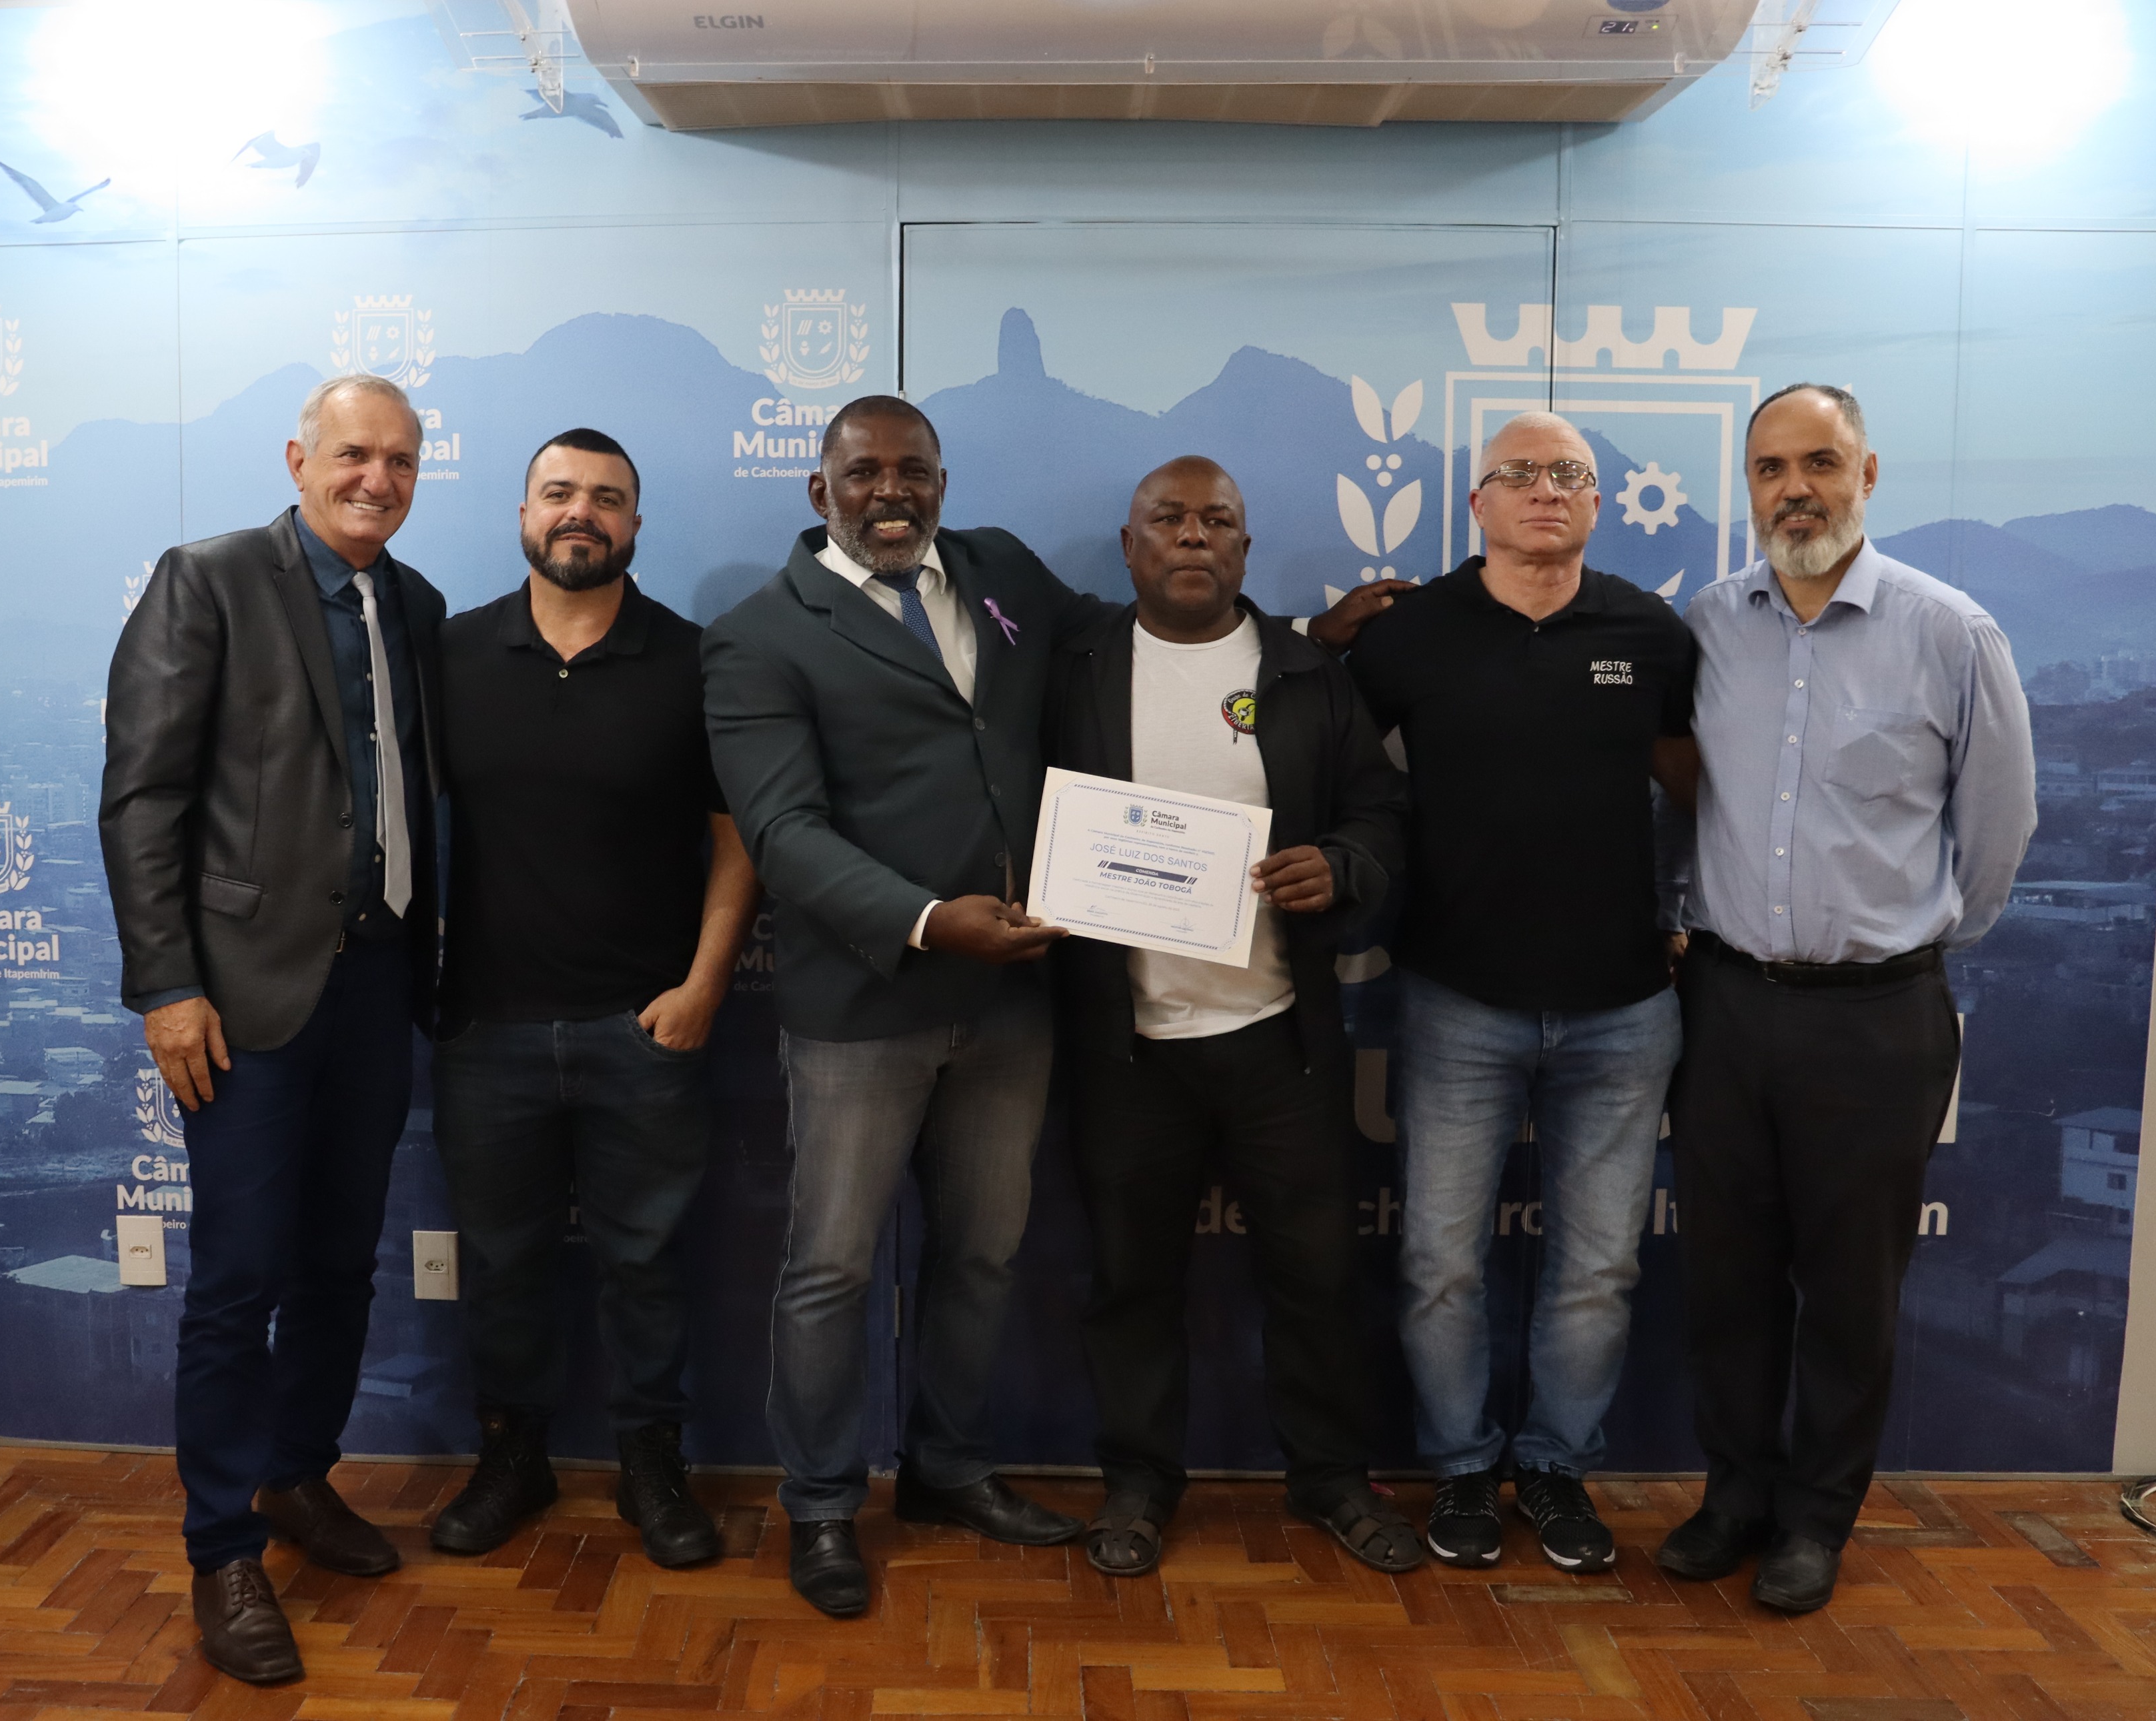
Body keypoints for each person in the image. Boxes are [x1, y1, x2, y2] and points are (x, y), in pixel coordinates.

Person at [700, 395, 1111, 1618]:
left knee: (981, 1252)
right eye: (865, 471)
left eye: (914, 469)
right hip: (863, 1005)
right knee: (831, 1268)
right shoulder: (758, 636)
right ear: (819, 490)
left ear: (942, 480)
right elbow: (784, 833)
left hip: (1012, 1000)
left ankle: (946, 1468)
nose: (893, 490)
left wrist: (1298, 634)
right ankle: (823, 1503)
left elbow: (1126, 646)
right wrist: (932, 919)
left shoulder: (1004, 572)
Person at [1659, 383, 2033, 1614]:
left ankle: (1817, 1517)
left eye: (1820, 462)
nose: (1795, 490)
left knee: (1852, 1286)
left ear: (1868, 474)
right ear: (1749, 485)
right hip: (1725, 1006)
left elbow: (1997, 832)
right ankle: (1735, 1496)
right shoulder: (1709, 624)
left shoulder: (1951, 631)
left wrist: (1901, 949)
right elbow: (1678, 797)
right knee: (1728, 1277)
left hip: (1879, 1018)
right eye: (1771, 468)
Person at [100, 373, 444, 1686]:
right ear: (299, 457)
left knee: (341, 1261)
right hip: (242, 995)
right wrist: (166, 986)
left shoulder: (415, 606)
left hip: (379, 982)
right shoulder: (209, 580)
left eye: (400, 460)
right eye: (353, 454)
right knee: (240, 1276)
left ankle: (299, 1475)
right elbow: (143, 797)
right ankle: (221, 1546)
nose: (376, 479)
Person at [1323, 411, 1699, 1574]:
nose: (1547, 489)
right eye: (1520, 473)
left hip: (1624, 1008)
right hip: (1458, 1002)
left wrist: (1688, 914)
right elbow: (1327, 760)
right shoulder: (1412, 635)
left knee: (1600, 1265)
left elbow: (1702, 790)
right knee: (1442, 1262)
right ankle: (1459, 1467)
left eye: (1569, 474)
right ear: (1478, 502)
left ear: (1596, 504)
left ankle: (1555, 1467)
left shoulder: (1650, 632)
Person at [1046, 457, 1413, 1579]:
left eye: (1219, 521)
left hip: (1278, 1037)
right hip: (1126, 1045)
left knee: (1318, 1276)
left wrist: (1341, 864)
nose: (1194, 536)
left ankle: (1332, 1476)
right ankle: (1138, 1482)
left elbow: (1381, 815)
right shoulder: (1072, 667)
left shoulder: (1305, 673)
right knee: (1131, 1282)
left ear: (1247, 549)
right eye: (1170, 518)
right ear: (1130, 545)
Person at [425, 428, 760, 1570]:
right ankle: (512, 1456)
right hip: (485, 1027)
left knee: (646, 1267)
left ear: (635, 524)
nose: (582, 512)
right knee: (502, 1265)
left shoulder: (696, 661)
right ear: (524, 514)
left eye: (607, 498)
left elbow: (738, 840)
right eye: (559, 493)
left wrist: (704, 984)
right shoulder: (449, 653)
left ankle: (651, 1467)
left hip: (645, 1026)